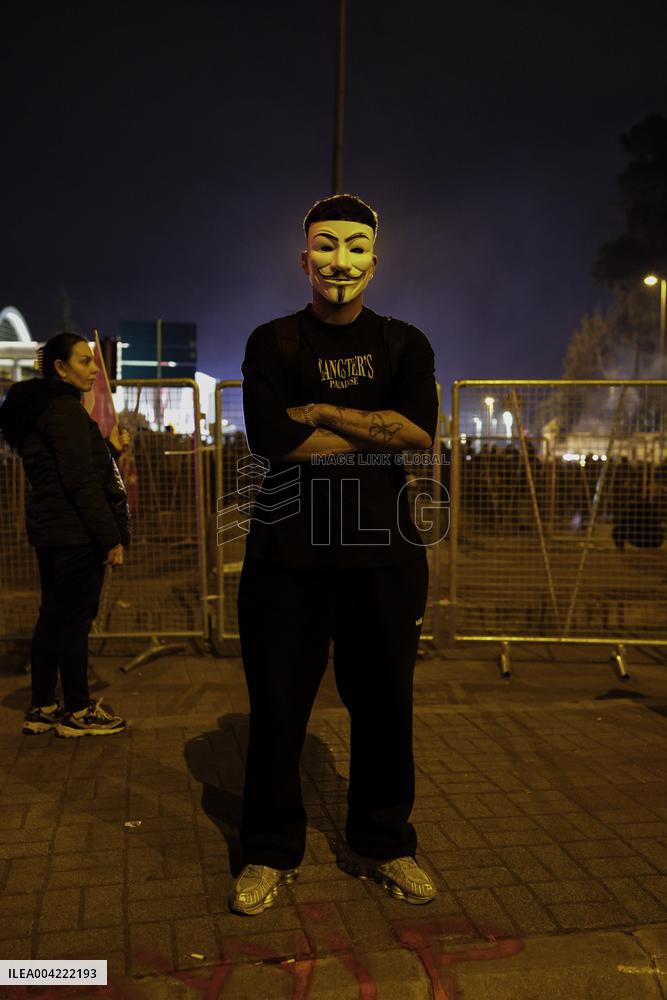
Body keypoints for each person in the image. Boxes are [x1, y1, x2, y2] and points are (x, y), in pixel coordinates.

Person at [229, 194, 440, 916]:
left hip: (385, 559)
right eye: (325, 246)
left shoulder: (404, 343)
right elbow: (270, 440)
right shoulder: (272, 341)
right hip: (284, 558)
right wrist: (369, 430)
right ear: (303, 258)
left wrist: (320, 413)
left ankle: (384, 844)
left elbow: (417, 436)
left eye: (354, 248)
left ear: (375, 263)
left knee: (385, 710)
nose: (338, 262)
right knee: (277, 712)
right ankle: (267, 850)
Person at [0, 332, 129, 737]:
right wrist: (110, 538)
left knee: (53, 617)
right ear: (59, 368)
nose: (93, 369)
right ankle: (77, 710)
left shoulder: (42, 410)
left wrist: (109, 450)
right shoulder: (65, 411)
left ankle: (42, 706)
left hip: (53, 529)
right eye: (84, 362)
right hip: (75, 533)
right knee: (74, 622)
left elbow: (64, 468)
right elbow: (80, 483)